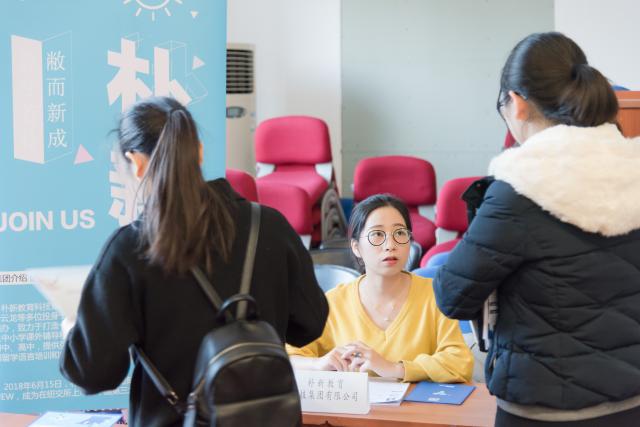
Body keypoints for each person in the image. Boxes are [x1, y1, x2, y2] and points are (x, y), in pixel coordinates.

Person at [60, 96, 329, 426]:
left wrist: (74, 331)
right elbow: (310, 325)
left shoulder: (129, 249)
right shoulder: (269, 225)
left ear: (136, 162)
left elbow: (94, 374)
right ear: (199, 152)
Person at [433, 32, 640, 426]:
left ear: (517, 102)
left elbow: (452, 295)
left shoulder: (520, 190)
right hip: (631, 403)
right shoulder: (634, 170)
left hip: (545, 409)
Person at [288, 194, 473, 383]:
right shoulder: (334, 302)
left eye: (400, 233)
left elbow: (460, 363)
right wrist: (318, 363)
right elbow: (289, 357)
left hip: (418, 402)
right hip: (356, 403)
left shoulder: (435, 295)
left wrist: (394, 368)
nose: (390, 245)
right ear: (356, 247)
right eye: (377, 234)